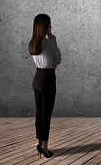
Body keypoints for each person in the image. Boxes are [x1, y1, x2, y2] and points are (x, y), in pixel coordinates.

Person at [28, 14, 61, 158]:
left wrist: (52, 63)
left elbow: (48, 61)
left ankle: (39, 142)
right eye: (49, 24)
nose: (51, 26)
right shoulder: (48, 42)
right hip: (47, 79)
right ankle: (45, 148)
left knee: (39, 113)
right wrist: (54, 40)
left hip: (37, 78)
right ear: (44, 26)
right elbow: (58, 59)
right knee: (46, 115)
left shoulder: (33, 42)